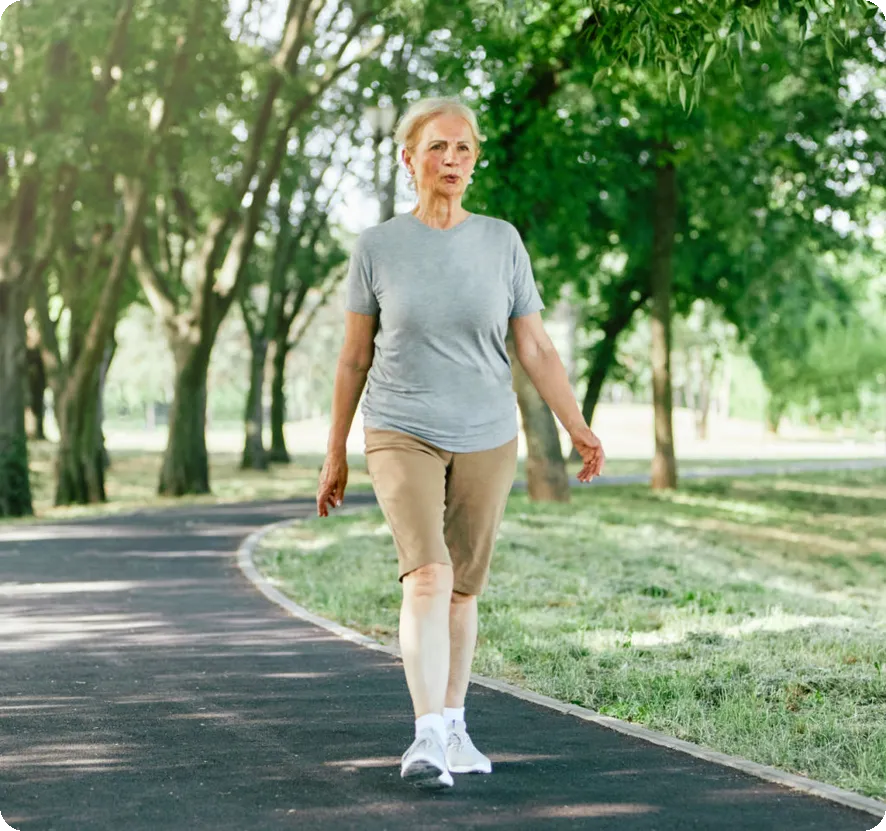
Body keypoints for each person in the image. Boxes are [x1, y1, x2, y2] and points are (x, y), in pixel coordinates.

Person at [316, 96, 605, 790]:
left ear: (475, 160)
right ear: (408, 157)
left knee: (463, 590)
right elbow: (354, 358)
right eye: (438, 147)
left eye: (464, 149)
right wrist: (334, 451)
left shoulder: (501, 240)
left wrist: (576, 423)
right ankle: (423, 739)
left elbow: (533, 343)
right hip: (400, 427)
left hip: (486, 431)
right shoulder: (377, 247)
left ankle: (454, 724)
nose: (452, 160)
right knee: (428, 574)